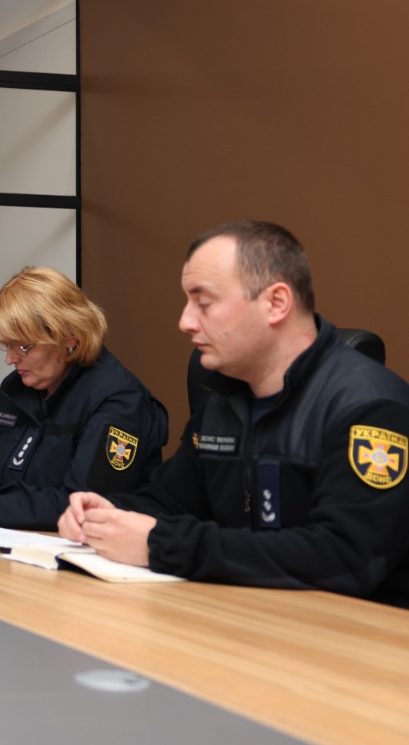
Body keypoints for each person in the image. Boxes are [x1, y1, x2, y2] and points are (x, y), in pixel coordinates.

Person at [58, 221, 409, 607]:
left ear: (276, 303)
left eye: (203, 303)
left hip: (354, 631)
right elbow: (170, 502)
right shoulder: (225, 400)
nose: (185, 321)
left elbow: (344, 558)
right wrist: (108, 515)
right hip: (249, 616)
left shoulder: (370, 407)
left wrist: (160, 544)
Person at [0, 267, 167, 529]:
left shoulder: (119, 399)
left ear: (70, 337)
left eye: (22, 346)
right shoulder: (18, 387)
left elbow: (82, 507)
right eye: (6, 344)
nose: (9, 359)